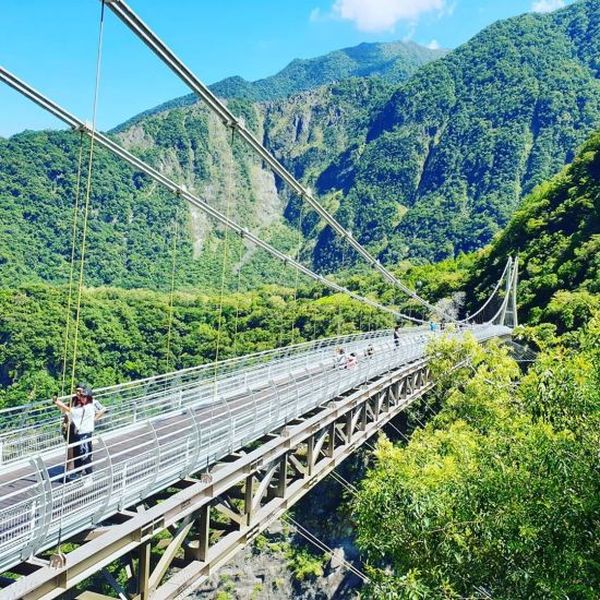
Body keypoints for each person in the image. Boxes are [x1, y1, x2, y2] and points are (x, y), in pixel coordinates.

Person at [55, 389, 105, 479]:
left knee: (85, 455)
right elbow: (68, 411)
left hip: (85, 434)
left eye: (84, 396)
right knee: (77, 453)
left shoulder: (88, 407)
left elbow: (71, 411)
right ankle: (78, 473)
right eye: (81, 396)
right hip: (79, 433)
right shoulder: (80, 405)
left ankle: (89, 476)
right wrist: (59, 404)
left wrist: (59, 403)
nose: (81, 398)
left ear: (89, 398)